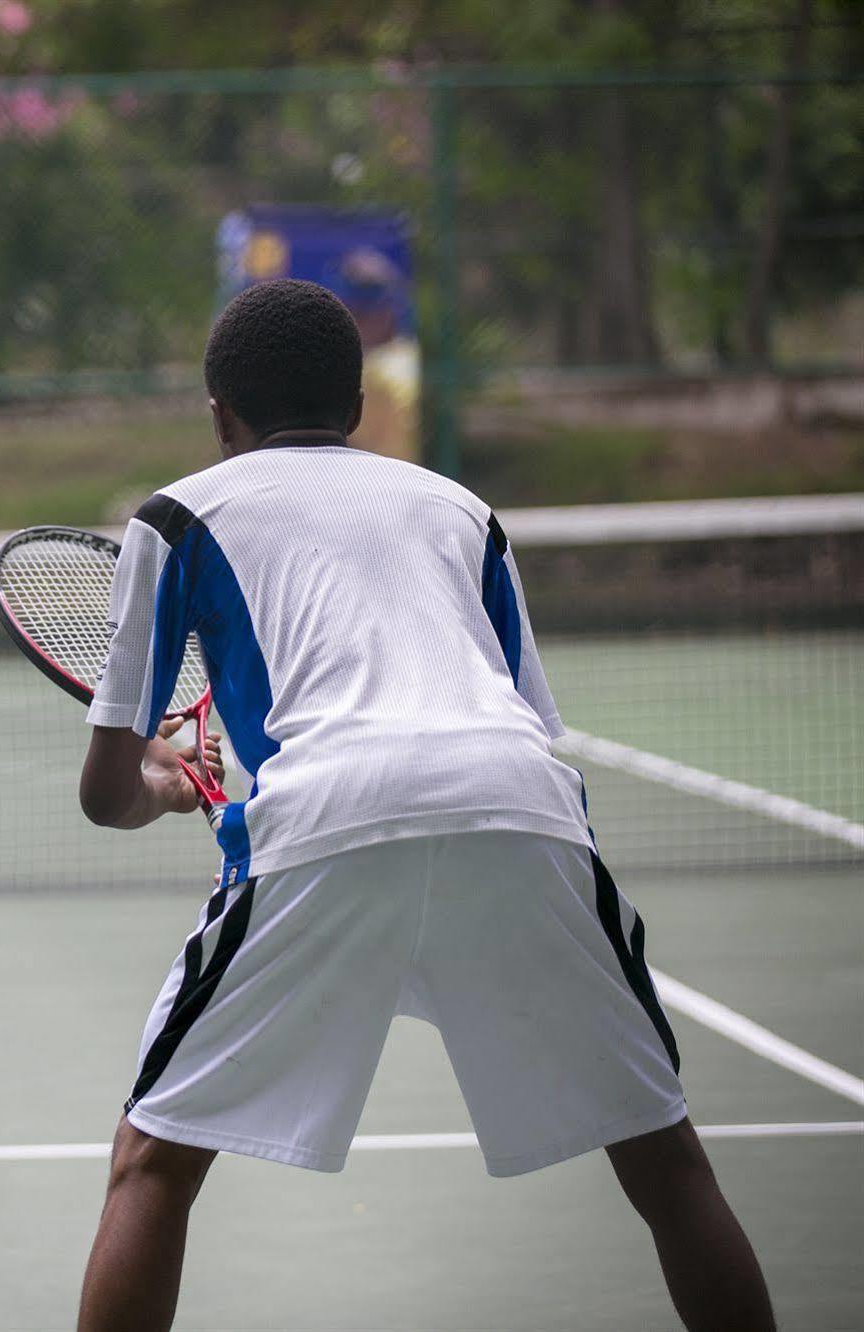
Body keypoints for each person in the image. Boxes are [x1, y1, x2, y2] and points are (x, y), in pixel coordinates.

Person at [74, 279, 770, 1332]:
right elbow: (526, 719)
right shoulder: (462, 509)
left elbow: (101, 795)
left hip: (325, 817)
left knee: (151, 1167)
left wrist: (164, 787)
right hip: (519, 808)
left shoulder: (173, 517)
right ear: (357, 405)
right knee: (665, 1158)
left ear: (219, 415)